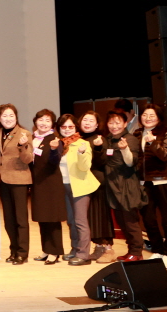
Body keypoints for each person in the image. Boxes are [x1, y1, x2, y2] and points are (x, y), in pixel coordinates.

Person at [135, 103, 167, 269]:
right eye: (145, 115)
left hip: (164, 180)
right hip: (144, 181)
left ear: (159, 117)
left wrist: (153, 143)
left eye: (152, 115)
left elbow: (165, 155)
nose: (148, 118)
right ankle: (158, 250)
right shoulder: (138, 133)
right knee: (148, 219)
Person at [103, 110, 147, 261]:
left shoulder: (130, 139)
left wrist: (124, 149)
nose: (114, 126)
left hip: (127, 185)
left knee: (130, 222)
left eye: (117, 123)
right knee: (122, 221)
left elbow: (131, 162)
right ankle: (131, 251)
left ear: (125, 123)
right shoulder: (108, 139)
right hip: (113, 186)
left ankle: (137, 252)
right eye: (111, 123)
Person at [56, 113, 98, 266]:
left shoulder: (83, 144)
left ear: (76, 127)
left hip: (80, 186)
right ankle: (75, 249)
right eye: (64, 127)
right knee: (71, 221)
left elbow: (85, 167)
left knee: (80, 221)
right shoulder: (59, 144)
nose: (67, 129)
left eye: (70, 126)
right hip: (64, 186)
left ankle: (83, 254)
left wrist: (81, 154)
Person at [0, 103, 33, 265]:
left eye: (11, 115)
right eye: (4, 116)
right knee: (8, 219)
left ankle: (23, 253)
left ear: (16, 117)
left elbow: (28, 159)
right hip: (2, 180)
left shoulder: (24, 134)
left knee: (21, 219)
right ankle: (13, 250)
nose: (8, 119)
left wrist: (23, 146)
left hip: (19, 180)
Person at [77, 111, 116, 263]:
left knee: (101, 215)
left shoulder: (99, 140)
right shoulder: (78, 139)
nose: (87, 123)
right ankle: (99, 247)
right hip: (83, 182)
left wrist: (99, 148)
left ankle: (108, 249)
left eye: (91, 121)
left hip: (97, 183)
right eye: (85, 119)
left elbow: (102, 162)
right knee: (90, 217)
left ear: (97, 125)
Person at [29, 109, 66, 264]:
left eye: (47, 120)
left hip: (51, 183)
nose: (43, 123)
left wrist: (53, 149)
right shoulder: (32, 138)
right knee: (42, 217)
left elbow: (54, 161)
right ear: (35, 121)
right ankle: (46, 249)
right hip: (38, 183)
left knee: (52, 218)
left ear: (52, 124)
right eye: (41, 120)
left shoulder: (55, 139)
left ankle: (55, 251)